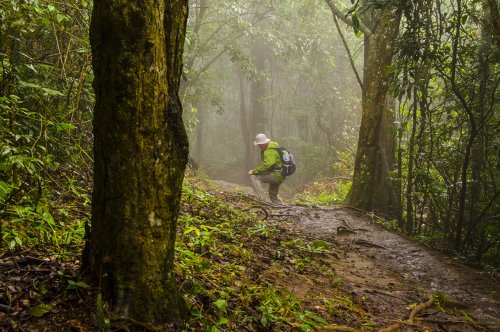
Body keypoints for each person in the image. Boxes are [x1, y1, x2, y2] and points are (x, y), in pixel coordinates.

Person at [248, 133, 285, 204]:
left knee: (254, 177)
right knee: (272, 195)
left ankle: (262, 200)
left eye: (259, 144)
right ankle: (280, 205)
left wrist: (254, 171)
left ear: (262, 143)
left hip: (276, 175)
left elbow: (268, 164)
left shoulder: (268, 150)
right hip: (280, 174)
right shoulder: (274, 147)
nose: (259, 146)